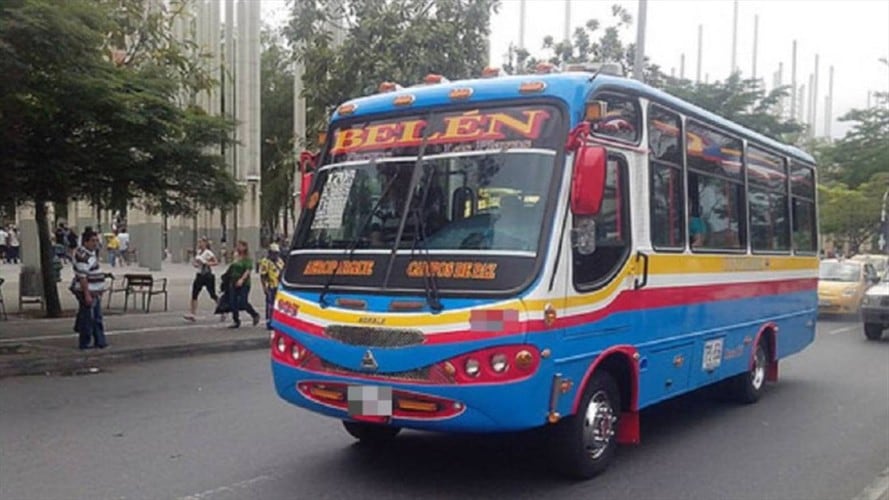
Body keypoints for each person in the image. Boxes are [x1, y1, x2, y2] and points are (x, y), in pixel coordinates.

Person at [71, 230, 108, 349]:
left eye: (97, 240)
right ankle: (85, 342)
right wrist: (86, 294)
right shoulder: (82, 256)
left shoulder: (90, 254)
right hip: (88, 291)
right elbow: (83, 277)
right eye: (93, 241)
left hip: (95, 291)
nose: (95, 243)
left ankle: (100, 341)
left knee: (96, 317)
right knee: (88, 318)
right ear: (85, 242)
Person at [225, 240, 260, 328]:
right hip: (233, 281)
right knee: (233, 301)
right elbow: (232, 267)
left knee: (243, 302)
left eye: (240, 246)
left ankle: (254, 314)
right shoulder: (236, 257)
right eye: (237, 246)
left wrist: (241, 280)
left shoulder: (247, 258)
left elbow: (248, 270)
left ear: (245, 247)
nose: (238, 247)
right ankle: (236, 320)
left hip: (244, 282)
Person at [185, 237, 219, 321]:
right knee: (194, 293)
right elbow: (196, 261)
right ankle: (193, 313)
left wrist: (207, 263)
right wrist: (195, 264)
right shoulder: (199, 252)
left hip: (207, 275)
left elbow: (216, 262)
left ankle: (223, 307)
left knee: (212, 294)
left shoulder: (208, 253)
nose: (199, 244)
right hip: (199, 275)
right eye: (199, 242)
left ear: (205, 243)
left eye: (201, 242)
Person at [259, 243, 285, 329]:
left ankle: (278, 321)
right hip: (270, 286)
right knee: (270, 305)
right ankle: (269, 321)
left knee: (278, 305)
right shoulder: (265, 262)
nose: (276, 255)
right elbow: (263, 276)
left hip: (279, 286)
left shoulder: (280, 261)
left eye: (277, 253)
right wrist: (264, 287)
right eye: (274, 253)